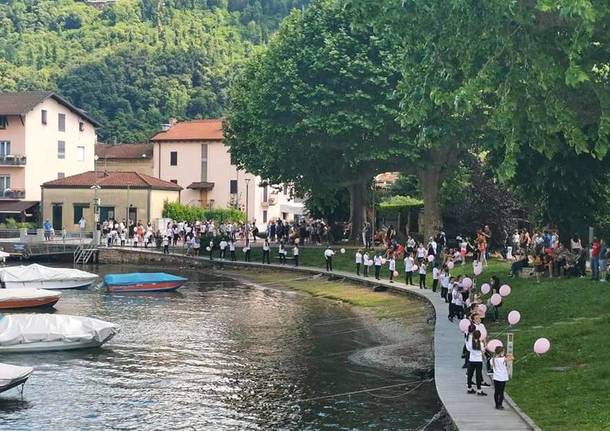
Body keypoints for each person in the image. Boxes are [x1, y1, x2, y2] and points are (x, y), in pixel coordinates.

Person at [466, 330, 487, 396]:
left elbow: (468, 349)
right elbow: (483, 351)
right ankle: (479, 390)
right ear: (479, 336)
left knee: (470, 374)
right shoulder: (480, 344)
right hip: (478, 361)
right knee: (478, 375)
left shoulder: (470, 343)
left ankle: (469, 388)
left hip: (471, 360)